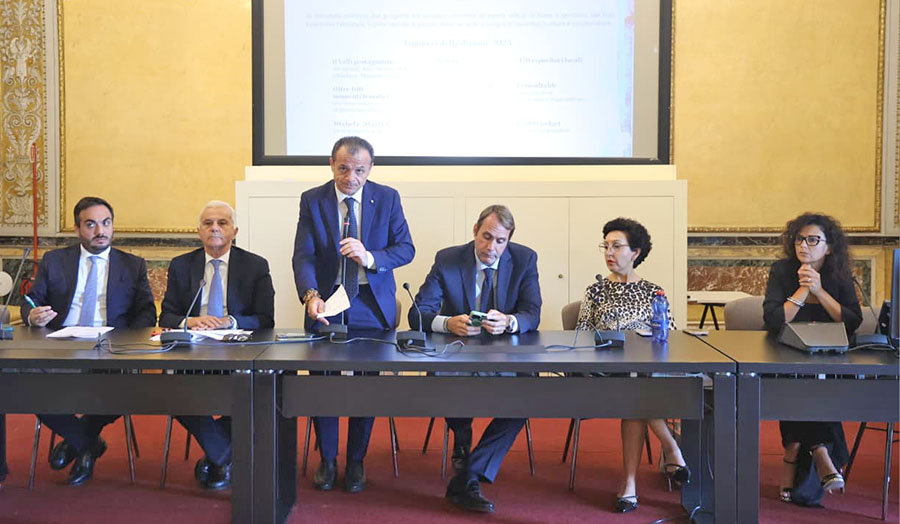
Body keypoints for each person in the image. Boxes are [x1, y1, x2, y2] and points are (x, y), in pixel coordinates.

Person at [292, 136, 414, 493]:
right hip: (328, 302)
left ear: (370, 169)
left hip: (370, 302)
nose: (351, 177)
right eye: (344, 168)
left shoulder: (387, 198)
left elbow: (405, 248)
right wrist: (311, 295)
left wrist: (370, 257)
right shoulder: (313, 199)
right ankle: (328, 459)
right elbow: (304, 255)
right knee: (323, 381)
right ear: (331, 164)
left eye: (359, 170)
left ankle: (357, 459)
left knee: (366, 383)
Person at [411, 204, 541, 513]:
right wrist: (447, 323)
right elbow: (418, 313)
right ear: (474, 231)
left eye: (500, 241)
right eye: (486, 237)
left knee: (530, 393)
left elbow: (532, 312)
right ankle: (462, 437)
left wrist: (509, 321)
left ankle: (468, 473)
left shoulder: (524, 259)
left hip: (505, 357)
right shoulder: (448, 259)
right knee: (450, 382)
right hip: (457, 355)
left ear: (508, 241)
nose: (491, 247)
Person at [21, 196, 156, 485]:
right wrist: (32, 315)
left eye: (106, 223)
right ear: (77, 228)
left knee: (126, 386)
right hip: (61, 345)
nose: (100, 231)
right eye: (91, 224)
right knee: (24, 383)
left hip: (110, 348)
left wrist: (125, 341)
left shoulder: (132, 265)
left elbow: (146, 312)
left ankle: (78, 441)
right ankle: (87, 444)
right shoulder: (55, 261)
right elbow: (32, 299)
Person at [575, 217, 688, 513]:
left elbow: (670, 337)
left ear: (635, 252)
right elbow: (580, 336)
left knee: (635, 395)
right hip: (604, 375)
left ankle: (629, 487)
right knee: (635, 391)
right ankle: (671, 448)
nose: (609, 252)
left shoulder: (653, 292)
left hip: (645, 376)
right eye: (606, 246)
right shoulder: (595, 290)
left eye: (616, 246)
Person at [159, 200, 275, 489]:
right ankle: (223, 455)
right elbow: (167, 315)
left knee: (258, 394)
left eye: (222, 223)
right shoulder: (181, 265)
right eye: (208, 223)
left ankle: (217, 456)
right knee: (172, 393)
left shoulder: (255, 265)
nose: (214, 228)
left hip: (237, 351)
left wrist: (230, 321)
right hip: (192, 351)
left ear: (234, 231)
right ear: (198, 231)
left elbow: (265, 319)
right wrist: (190, 321)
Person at [763, 212, 861, 506]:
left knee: (814, 383)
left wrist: (820, 290)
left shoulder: (839, 273)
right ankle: (820, 451)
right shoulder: (782, 271)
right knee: (797, 380)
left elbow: (852, 320)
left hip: (829, 355)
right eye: (799, 239)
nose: (803, 245)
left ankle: (793, 450)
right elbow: (774, 320)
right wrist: (804, 289)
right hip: (785, 352)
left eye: (813, 240)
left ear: (828, 247)